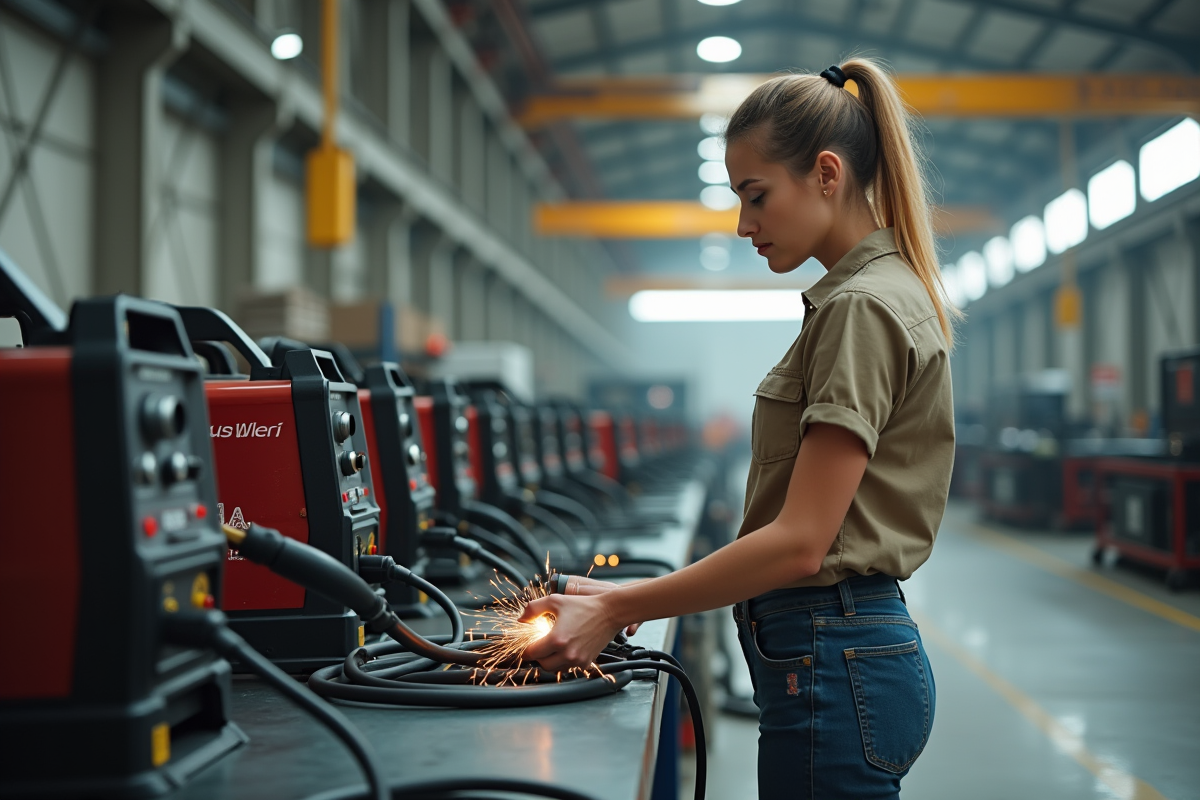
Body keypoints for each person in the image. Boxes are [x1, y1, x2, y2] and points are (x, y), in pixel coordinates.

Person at [520, 57, 956, 800]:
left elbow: (802, 542)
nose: (744, 224)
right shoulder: (869, 296)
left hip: (834, 659)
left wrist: (620, 607)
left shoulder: (861, 309)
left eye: (757, 196)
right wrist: (626, 595)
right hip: (839, 656)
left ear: (826, 174)